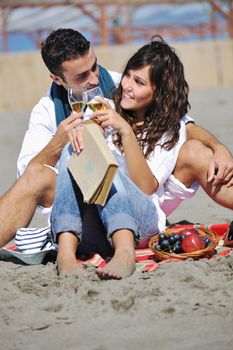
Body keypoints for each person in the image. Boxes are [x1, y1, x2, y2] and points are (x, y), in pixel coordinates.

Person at [0, 28, 232, 249]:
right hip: (80, 204)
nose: (93, 79)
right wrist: (59, 142)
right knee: (40, 173)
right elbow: (27, 177)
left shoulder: (119, 85)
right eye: (82, 76)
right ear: (57, 79)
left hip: (140, 198)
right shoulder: (46, 111)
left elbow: (179, 121)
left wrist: (218, 147)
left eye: (94, 66)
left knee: (196, 151)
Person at [50, 35, 233, 279]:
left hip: (142, 223)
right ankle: (65, 256)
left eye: (139, 82)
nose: (127, 85)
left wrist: (125, 131)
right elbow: (82, 155)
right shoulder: (104, 107)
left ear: (158, 93)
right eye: (128, 75)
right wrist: (88, 132)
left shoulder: (171, 130)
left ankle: (125, 254)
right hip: (99, 224)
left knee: (109, 167)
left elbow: (146, 188)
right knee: (73, 146)